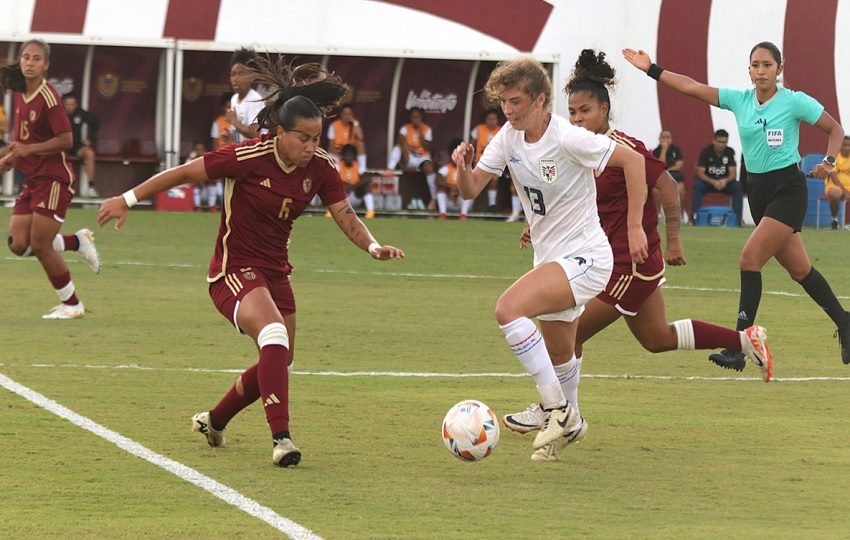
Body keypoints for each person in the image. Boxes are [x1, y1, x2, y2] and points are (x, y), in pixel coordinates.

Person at [98, 55, 404, 468]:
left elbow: (346, 216)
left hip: (276, 271)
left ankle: (215, 420)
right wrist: (127, 199)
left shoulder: (320, 168)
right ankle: (282, 439)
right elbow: (185, 174)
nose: (312, 147)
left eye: (317, 139)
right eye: (304, 139)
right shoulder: (246, 157)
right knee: (274, 335)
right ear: (280, 133)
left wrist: (372, 246)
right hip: (233, 269)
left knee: (279, 357)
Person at [503, 50, 772, 462]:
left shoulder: (621, 146)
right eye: (572, 112)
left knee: (569, 334)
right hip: (599, 258)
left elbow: (666, 185)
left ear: (605, 110)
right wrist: (535, 224)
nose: (577, 119)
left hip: (628, 261)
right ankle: (745, 339)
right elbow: (570, 201)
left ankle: (555, 417)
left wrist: (674, 238)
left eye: (586, 111)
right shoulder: (575, 148)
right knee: (656, 338)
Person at [451, 55, 649, 455]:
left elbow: (635, 160)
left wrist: (633, 227)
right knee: (561, 354)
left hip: (589, 257)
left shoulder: (567, 136)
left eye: (515, 102)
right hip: (551, 258)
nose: (507, 110)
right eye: (503, 103)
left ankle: (555, 408)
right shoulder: (508, 137)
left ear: (541, 100)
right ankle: (569, 423)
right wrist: (463, 167)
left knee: (508, 309)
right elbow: (470, 190)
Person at [624, 41, 850, 368]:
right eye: (755, 65)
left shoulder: (793, 101)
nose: (761, 71)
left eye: (767, 65)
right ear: (749, 70)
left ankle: (739, 345)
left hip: (788, 190)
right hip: (758, 192)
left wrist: (829, 161)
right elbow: (692, 88)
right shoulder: (740, 99)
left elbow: (835, 128)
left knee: (749, 259)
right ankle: (844, 321)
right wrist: (652, 69)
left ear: (779, 69)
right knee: (801, 270)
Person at [1, 39, 100, 319]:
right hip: (33, 178)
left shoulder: (49, 97)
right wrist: (9, 158)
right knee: (18, 243)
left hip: (54, 178)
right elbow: (21, 140)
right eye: (26, 57)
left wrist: (28, 150)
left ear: (46, 65)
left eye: (36, 59)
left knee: (42, 245)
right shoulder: (20, 93)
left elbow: (66, 140)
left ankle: (72, 305)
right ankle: (77, 243)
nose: (29, 63)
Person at [692, 129, 743, 224]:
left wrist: (724, 181)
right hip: (709, 183)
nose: (721, 145)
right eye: (719, 142)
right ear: (714, 141)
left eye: (724, 142)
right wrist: (713, 182)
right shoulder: (706, 151)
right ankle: (695, 218)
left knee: (737, 186)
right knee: (698, 186)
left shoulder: (729, 152)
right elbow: (700, 172)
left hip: (724, 183)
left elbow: (733, 174)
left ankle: (737, 220)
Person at [62, 94, 99, 197]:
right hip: (61, 147)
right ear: (64, 105)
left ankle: (91, 187)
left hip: (77, 147)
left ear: (76, 105)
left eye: (72, 104)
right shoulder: (58, 114)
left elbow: (95, 122)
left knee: (89, 153)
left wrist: (90, 138)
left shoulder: (80, 113)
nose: (70, 106)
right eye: (67, 104)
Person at [227, 48, 264, 143]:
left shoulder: (255, 100)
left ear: (252, 76)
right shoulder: (234, 99)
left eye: (241, 74)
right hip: (240, 152)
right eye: (233, 74)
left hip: (255, 154)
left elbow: (255, 134)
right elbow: (236, 131)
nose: (235, 79)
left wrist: (233, 120)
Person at [470, 108, 503, 211]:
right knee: (474, 183)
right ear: (485, 119)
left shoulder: (501, 130)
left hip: (496, 161)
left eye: (494, 119)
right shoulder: (479, 129)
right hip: (480, 160)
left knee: (494, 181)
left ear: (497, 120)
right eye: (489, 119)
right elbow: (471, 143)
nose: (491, 121)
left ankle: (492, 205)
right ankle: (468, 207)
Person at [651, 129, 686, 222]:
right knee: (656, 192)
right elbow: (660, 165)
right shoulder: (656, 151)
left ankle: (681, 214)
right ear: (659, 139)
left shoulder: (676, 150)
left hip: (675, 177)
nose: (666, 140)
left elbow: (679, 164)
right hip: (660, 178)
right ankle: (658, 215)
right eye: (663, 137)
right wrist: (664, 150)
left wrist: (668, 169)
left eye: (668, 137)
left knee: (681, 191)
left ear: (671, 139)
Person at [437, 138, 474, 220]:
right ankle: (442, 214)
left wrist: (458, 189)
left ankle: (463, 215)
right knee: (440, 189)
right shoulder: (446, 168)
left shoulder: (467, 168)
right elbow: (438, 180)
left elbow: (471, 183)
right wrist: (451, 187)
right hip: (449, 201)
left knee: (470, 191)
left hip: (462, 201)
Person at [337, 143, 375, 218]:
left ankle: (370, 212)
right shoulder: (338, 166)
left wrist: (353, 186)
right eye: (347, 155)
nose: (349, 157)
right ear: (343, 156)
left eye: (351, 155)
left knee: (366, 187)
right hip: (341, 199)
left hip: (354, 196)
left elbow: (368, 178)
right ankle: (330, 212)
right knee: (334, 186)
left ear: (354, 157)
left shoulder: (358, 166)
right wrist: (344, 185)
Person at [327, 103, 366, 171]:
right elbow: (331, 145)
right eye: (344, 114)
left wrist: (355, 124)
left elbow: (360, 138)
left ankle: (362, 171)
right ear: (341, 115)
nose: (346, 117)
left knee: (360, 144)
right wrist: (341, 157)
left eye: (349, 114)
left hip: (350, 153)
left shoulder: (354, 124)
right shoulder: (334, 125)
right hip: (338, 152)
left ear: (352, 115)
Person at [825, 136, 850, 229]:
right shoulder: (834, 157)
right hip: (835, 186)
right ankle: (834, 220)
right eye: (845, 145)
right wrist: (844, 191)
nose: (847, 147)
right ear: (840, 145)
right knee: (835, 194)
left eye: (849, 145)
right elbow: (833, 175)